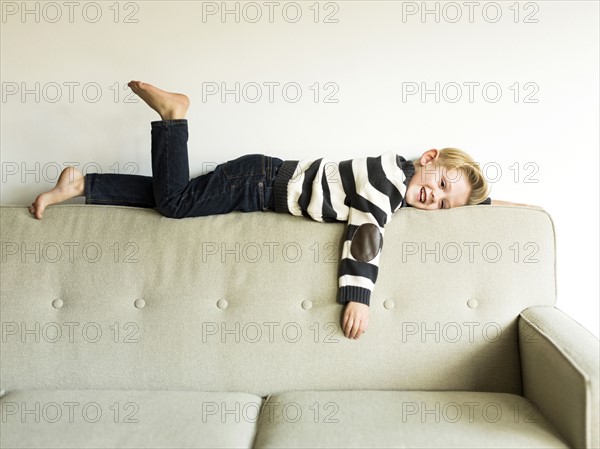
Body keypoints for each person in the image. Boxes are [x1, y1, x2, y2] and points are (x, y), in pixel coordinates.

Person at [29, 81, 532, 340]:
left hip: (258, 177)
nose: (435, 198)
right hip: (258, 184)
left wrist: (490, 201)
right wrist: (357, 298)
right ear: (428, 158)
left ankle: (82, 185)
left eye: (445, 203)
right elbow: (365, 237)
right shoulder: (386, 186)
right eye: (439, 184)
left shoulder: (399, 175)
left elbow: (460, 195)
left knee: (173, 195)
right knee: (176, 205)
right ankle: (174, 118)